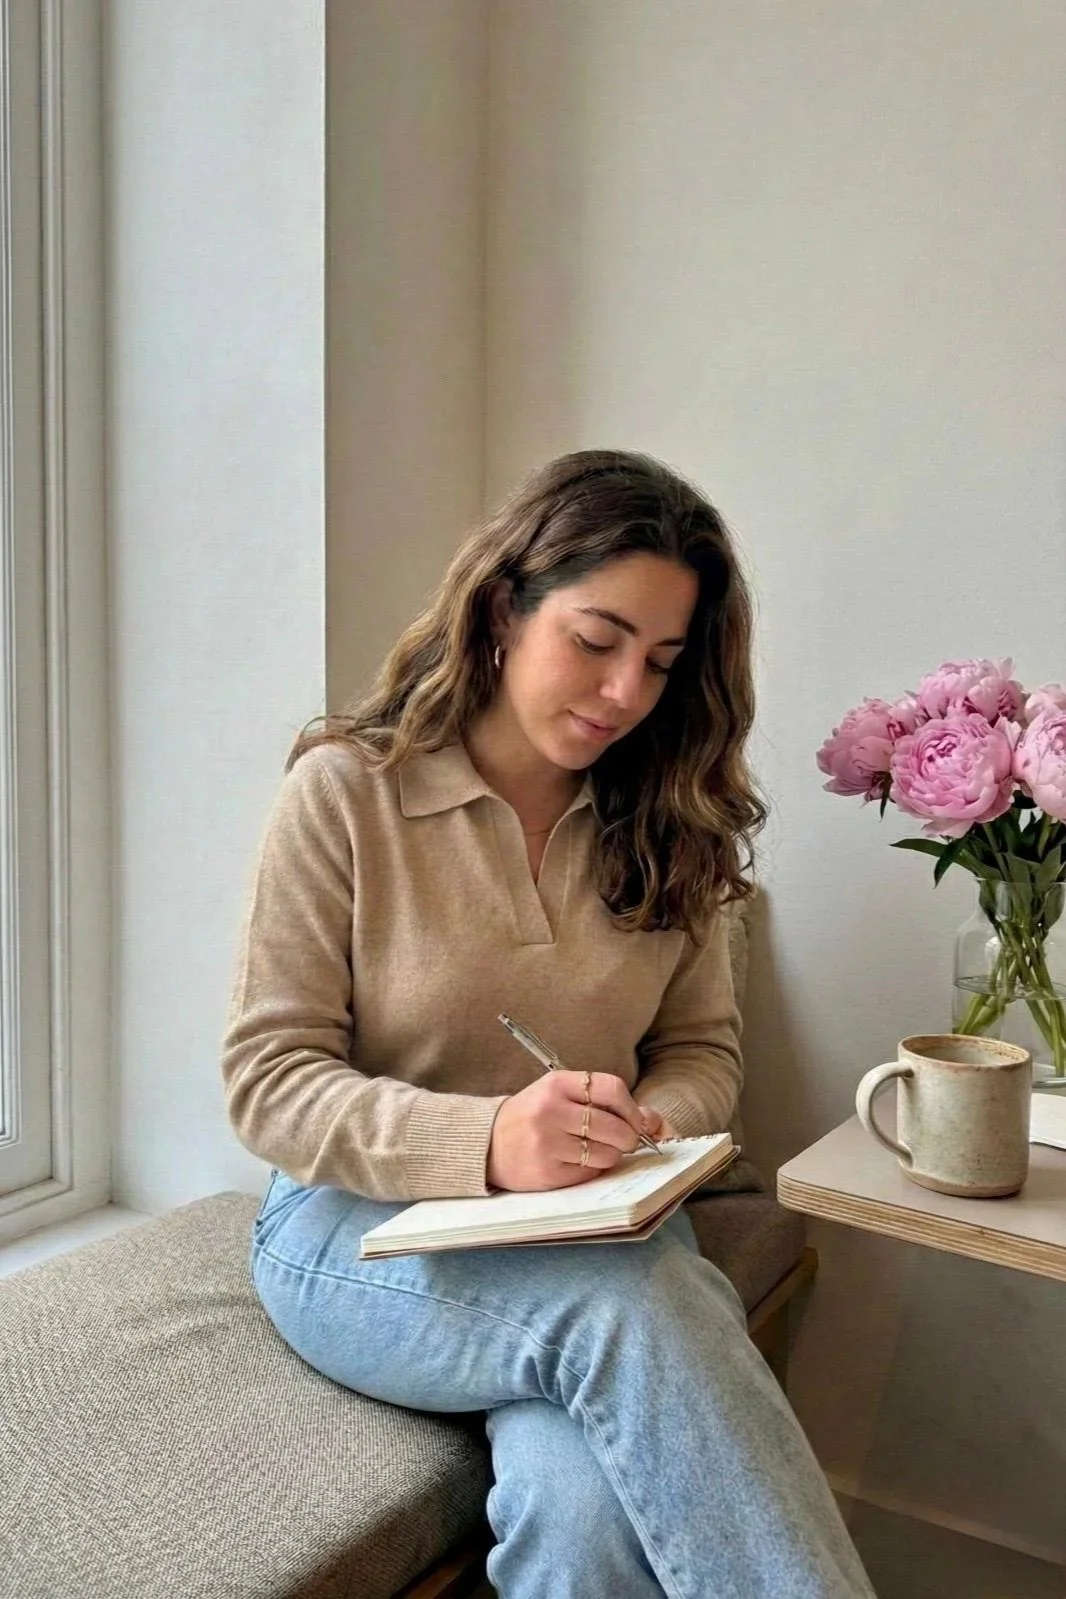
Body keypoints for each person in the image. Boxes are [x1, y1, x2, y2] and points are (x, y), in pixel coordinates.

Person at [222, 449, 874, 1598]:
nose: (626, 690)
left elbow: (702, 1052)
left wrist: (645, 1123)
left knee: (580, 1510)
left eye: (661, 662)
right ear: (500, 611)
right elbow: (269, 1079)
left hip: (595, 1227)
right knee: (641, 1304)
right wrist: (484, 1146)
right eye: (596, 638)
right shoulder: (346, 793)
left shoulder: (675, 823)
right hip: (357, 1234)